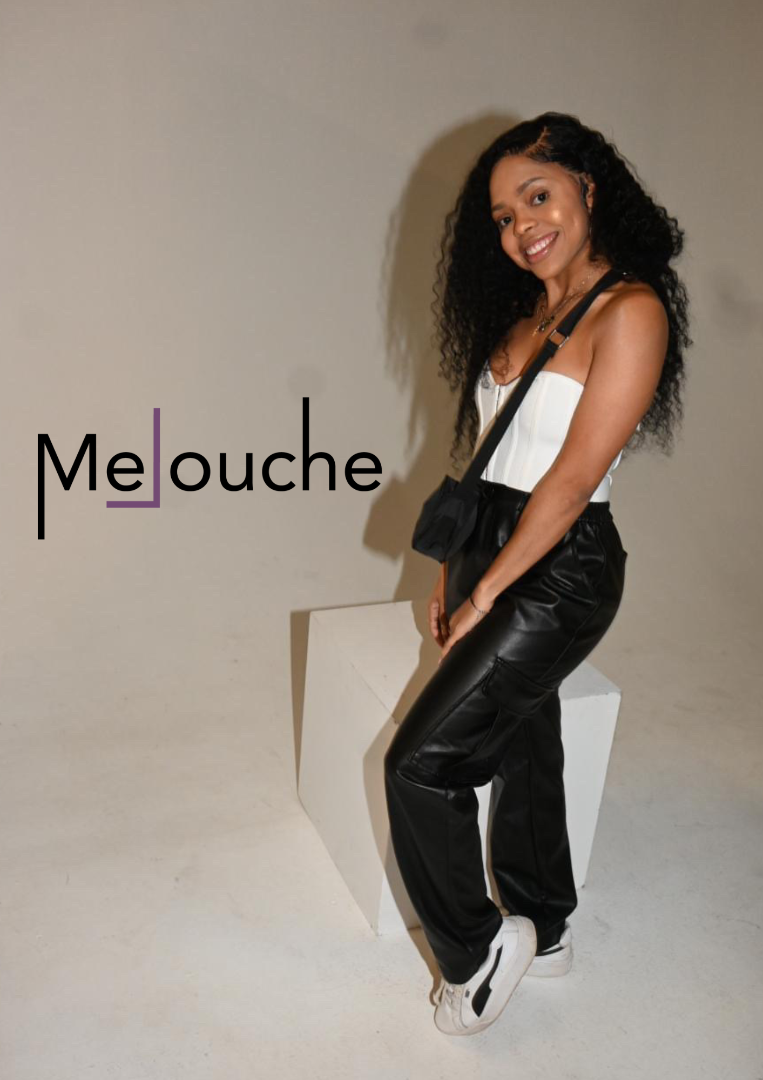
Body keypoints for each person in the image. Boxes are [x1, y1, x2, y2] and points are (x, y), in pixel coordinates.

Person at [384, 111, 690, 1037]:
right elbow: (492, 457)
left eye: (537, 197)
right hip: (492, 543)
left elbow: (569, 480)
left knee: (419, 766)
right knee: (524, 740)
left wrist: (490, 594)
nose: (522, 226)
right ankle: (543, 927)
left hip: (563, 566)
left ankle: (475, 957)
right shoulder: (525, 320)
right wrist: (456, 571)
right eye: (503, 217)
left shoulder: (630, 312)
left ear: (587, 190)